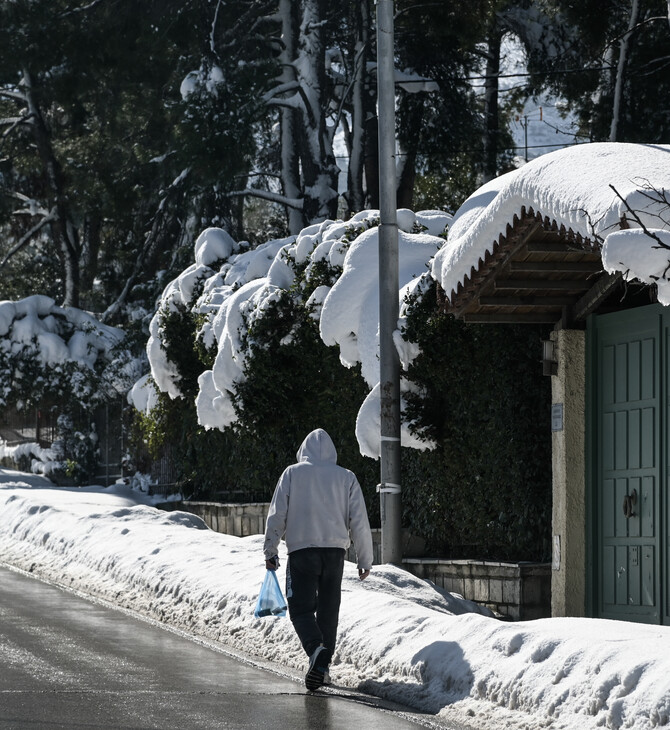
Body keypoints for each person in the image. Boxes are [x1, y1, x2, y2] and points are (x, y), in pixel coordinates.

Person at [263, 428, 373, 691]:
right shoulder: (346, 477)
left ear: (303, 451)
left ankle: (315, 650)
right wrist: (365, 559)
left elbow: (278, 513)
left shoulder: (292, 473)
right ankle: (323, 669)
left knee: (300, 609)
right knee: (328, 610)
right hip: (335, 554)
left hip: (302, 551)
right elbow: (359, 519)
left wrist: (271, 549)